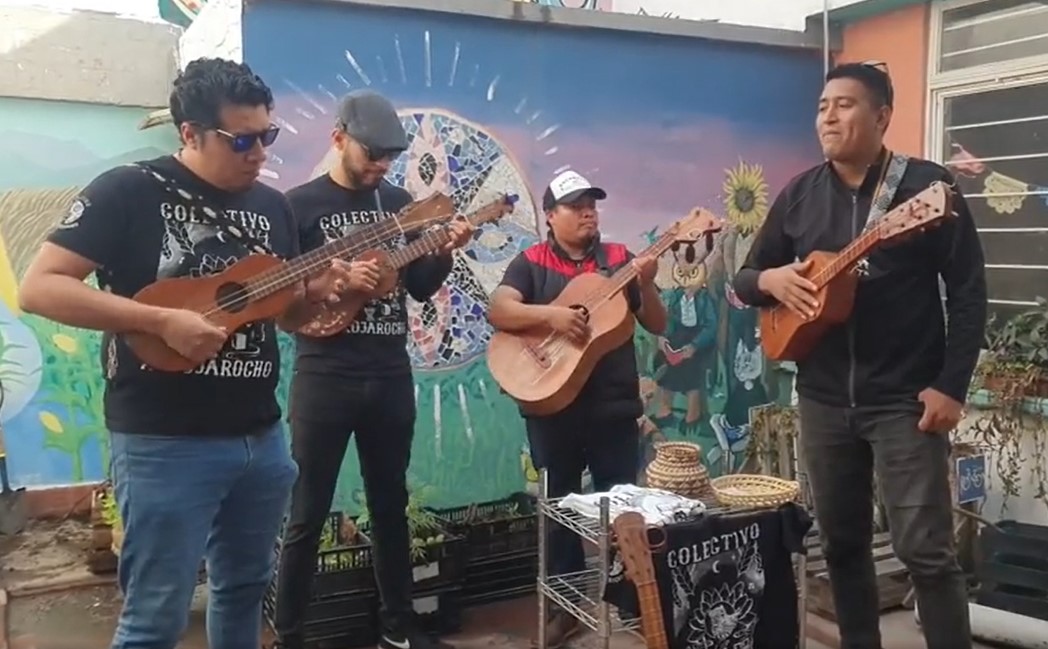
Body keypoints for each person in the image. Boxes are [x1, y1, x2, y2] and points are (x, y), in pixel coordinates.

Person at [18, 58, 352, 649]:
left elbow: (289, 317)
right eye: (241, 140)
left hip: (261, 438)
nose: (259, 153)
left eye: (266, 135)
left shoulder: (275, 210)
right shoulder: (128, 191)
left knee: (246, 588)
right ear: (190, 133)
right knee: (155, 616)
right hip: (162, 442)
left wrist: (316, 294)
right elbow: (40, 286)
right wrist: (159, 320)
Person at [733, 62, 986, 649]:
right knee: (842, 546)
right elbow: (746, 278)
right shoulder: (799, 194)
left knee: (926, 550)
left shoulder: (926, 189)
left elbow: (970, 291)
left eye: (844, 104)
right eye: (823, 105)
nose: (827, 114)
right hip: (822, 398)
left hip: (905, 399)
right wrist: (773, 280)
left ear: (882, 117)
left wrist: (952, 385)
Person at [271, 89, 473, 649]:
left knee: (390, 508)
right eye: (373, 153)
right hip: (324, 376)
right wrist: (335, 283)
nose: (382, 164)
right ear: (339, 138)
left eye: (390, 155)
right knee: (307, 513)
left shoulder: (401, 203)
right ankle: (289, 636)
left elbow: (421, 285)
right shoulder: (298, 205)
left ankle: (399, 630)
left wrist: (446, 248)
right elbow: (282, 296)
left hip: (389, 374)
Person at [488, 170, 668, 648]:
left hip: (612, 406)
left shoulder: (620, 260)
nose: (588, 211)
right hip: (552, 406)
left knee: (623, 505)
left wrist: (646, 285)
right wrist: (552, 316)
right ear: (551, 216)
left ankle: (631, 600)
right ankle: (566, 607)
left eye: (592, 203)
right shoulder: (531, 262)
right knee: (558, 504)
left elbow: (657, 320)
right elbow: (501, 310)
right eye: (575, 204)